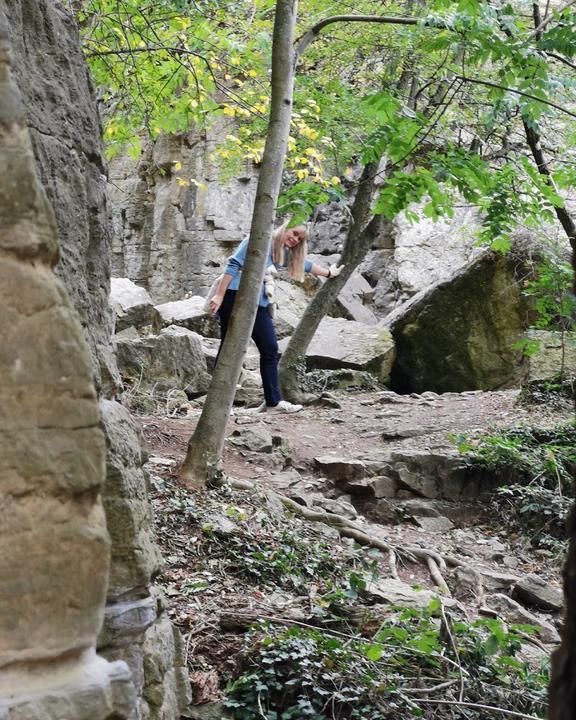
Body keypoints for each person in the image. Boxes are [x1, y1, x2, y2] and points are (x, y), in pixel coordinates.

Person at [208, 223, 344, 413]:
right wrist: (219, 295)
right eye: (294, 233)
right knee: (230, 348)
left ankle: (273, 402)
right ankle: (219, 404)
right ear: (285, 229)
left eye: (300, 239)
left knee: (270, 348)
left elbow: (304, 264)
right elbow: (233, 264)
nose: (295, 239)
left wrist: (329, 273)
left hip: (259, 302)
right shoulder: (257, 241)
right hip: (235, 295)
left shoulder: (281, 253)